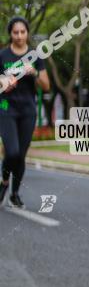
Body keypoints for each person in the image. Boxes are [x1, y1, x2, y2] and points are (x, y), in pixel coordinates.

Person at [0, 17, 51, 208]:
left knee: (20, 155)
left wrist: (35, 73)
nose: (20, 36)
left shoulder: (36, 56)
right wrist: (5, 82)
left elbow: (46, 86)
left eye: (23, 32)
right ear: (10, 34)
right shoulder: (3, 56)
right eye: (16, 32)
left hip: (28, 110)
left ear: (27, 33)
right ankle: (4, 181)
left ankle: (14, 193)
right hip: (6, 109)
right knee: (11, 152)